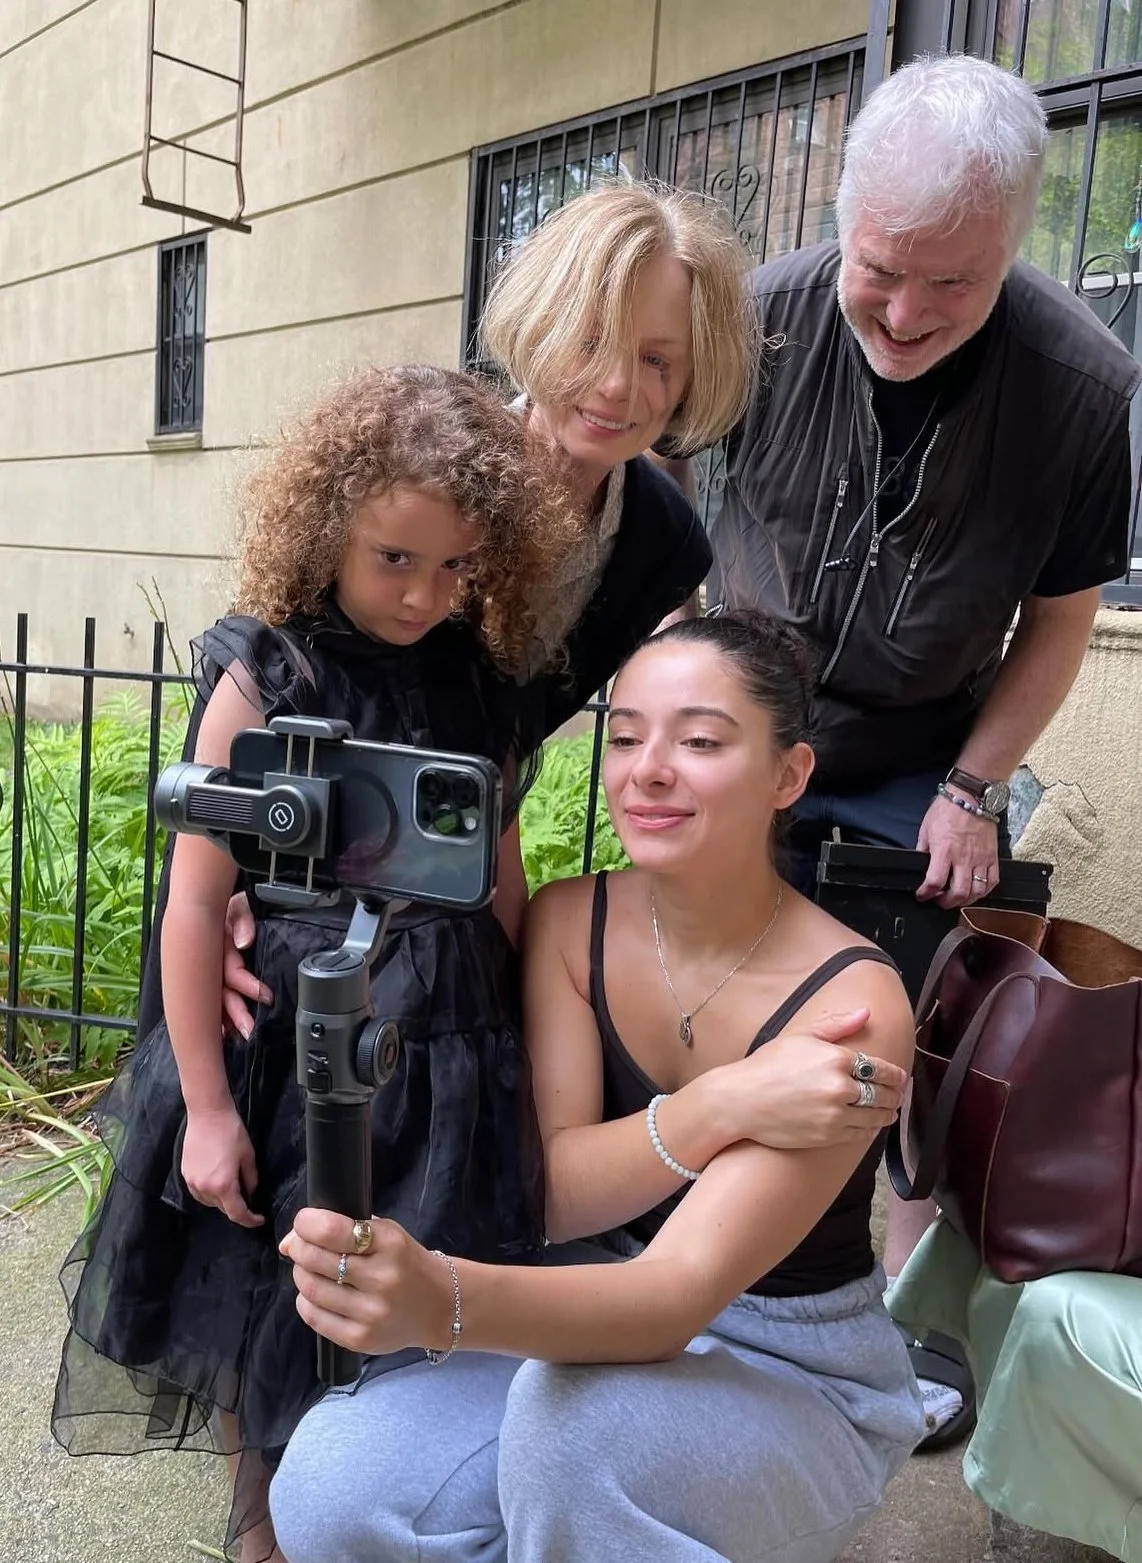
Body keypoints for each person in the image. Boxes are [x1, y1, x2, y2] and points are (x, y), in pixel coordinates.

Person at [671, 52, 1142, 1445]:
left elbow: (1055, 625)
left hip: (925, 744)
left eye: (953, 281)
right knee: (705, 1000)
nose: (904, 309)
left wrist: (968, 787)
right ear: (841, 214)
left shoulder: (1081, 381)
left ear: (1009, 245)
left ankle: (880, 1320)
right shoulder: (747, 319)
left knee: (911, 1038)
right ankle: (702, 1276)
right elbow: (665, 526)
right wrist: (683, 715)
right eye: (881, 268)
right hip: (750, 712)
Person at [52, 364, 589, 1563]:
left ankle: (377, 1510)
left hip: (449, 1052)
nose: (421, 593)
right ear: (328, 526)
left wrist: (532, 1062)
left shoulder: (476, 683)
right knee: (275, 1298)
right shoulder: (265, 676)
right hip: (288, 1055)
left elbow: (497, 884)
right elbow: (195, 907)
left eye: (455, 568)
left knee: (411, 1301)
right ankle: (264, 1534)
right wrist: (199, 1104)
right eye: (393, 558)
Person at [268, 613, 927, 1563]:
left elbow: (673, 1297)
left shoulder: (853, 999)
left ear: (789, 775)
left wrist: (439, 1298)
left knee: (574, 1445)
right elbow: (566, 1194)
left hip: (792, 1367)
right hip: (591, 1303)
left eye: (699, 740)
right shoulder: (572, 920)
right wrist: (723, 1103)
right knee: (337, 1483)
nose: (647, 769)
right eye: (623, 736)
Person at [195, 177, 760, 1039]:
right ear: (541, 325)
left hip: (458, 877)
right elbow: (281, 676)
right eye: (592, 339)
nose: (617, 385)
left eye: (657, 360)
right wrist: (238, 884)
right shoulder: (432, 471)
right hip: (308, 897)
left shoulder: (663, 538)